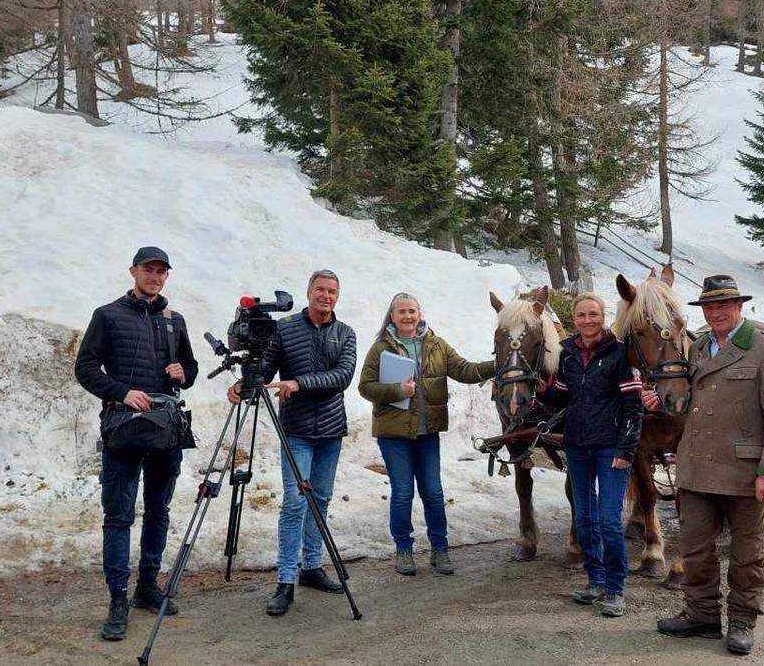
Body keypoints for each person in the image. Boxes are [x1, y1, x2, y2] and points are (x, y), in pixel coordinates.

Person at [645, 275, 764, 655]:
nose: (716, 313)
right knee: (695, 550)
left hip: (746, 473)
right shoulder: (698, 348)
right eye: (709, 307)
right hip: (697, 469)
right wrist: (662, 402)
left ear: (739, 306)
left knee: (748, 554)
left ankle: (743, 620)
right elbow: (696, 403)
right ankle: (702, 615)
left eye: (723, 305)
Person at [75, 246, 199, 641]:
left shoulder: (174, 319)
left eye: (162, 271)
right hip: (124, 428)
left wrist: (184, 372)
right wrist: (122, 391)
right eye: (149, 269)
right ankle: (117, 597)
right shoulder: (107, 315)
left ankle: (147, 586)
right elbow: (85, 368)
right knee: (119, 515)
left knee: (158, 510)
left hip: (165, 429)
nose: (155, 276)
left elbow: (191, 370)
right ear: (133, 271)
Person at [226, 270, 357, 617]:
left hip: (331, 430)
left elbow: (342, 377)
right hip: (296, 430)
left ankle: (311, 566)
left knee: (321, 500)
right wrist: (246, 384)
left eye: (332, 291)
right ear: (309, 292)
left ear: (337, 296)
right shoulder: (284, 329)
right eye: (320, 290)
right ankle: (285, 580)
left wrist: (299, 383)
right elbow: (265, 370)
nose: (326, 296)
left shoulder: (345, 333)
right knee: (295, 503)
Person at [357, 293, 496, 576]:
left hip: (427, 432)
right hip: (394, 435)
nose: (408, 316)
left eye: (412, 311)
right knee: (403, 492)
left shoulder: (436, 344)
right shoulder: (381, 348)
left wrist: (501, 363)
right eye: (402, 312)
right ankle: (404, 550)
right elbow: (365, 387)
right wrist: (397, 391)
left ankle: (440, 549)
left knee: (433, 492)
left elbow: (466, 370)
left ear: (420, 314)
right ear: (392, 316)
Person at [536, 292, 643, 618]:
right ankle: (595, 579)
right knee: (584, 519)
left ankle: (615, 588)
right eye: (581, 315)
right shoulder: (566, 352)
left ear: (602, 315)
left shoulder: (620, 353)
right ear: (575, 319)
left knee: (609, 521)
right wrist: (542, 388)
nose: (587, 321)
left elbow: (633, 405)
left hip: (611, 447)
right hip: (578, 446)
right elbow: (565, 395)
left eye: (593, 314)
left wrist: (627, 448)